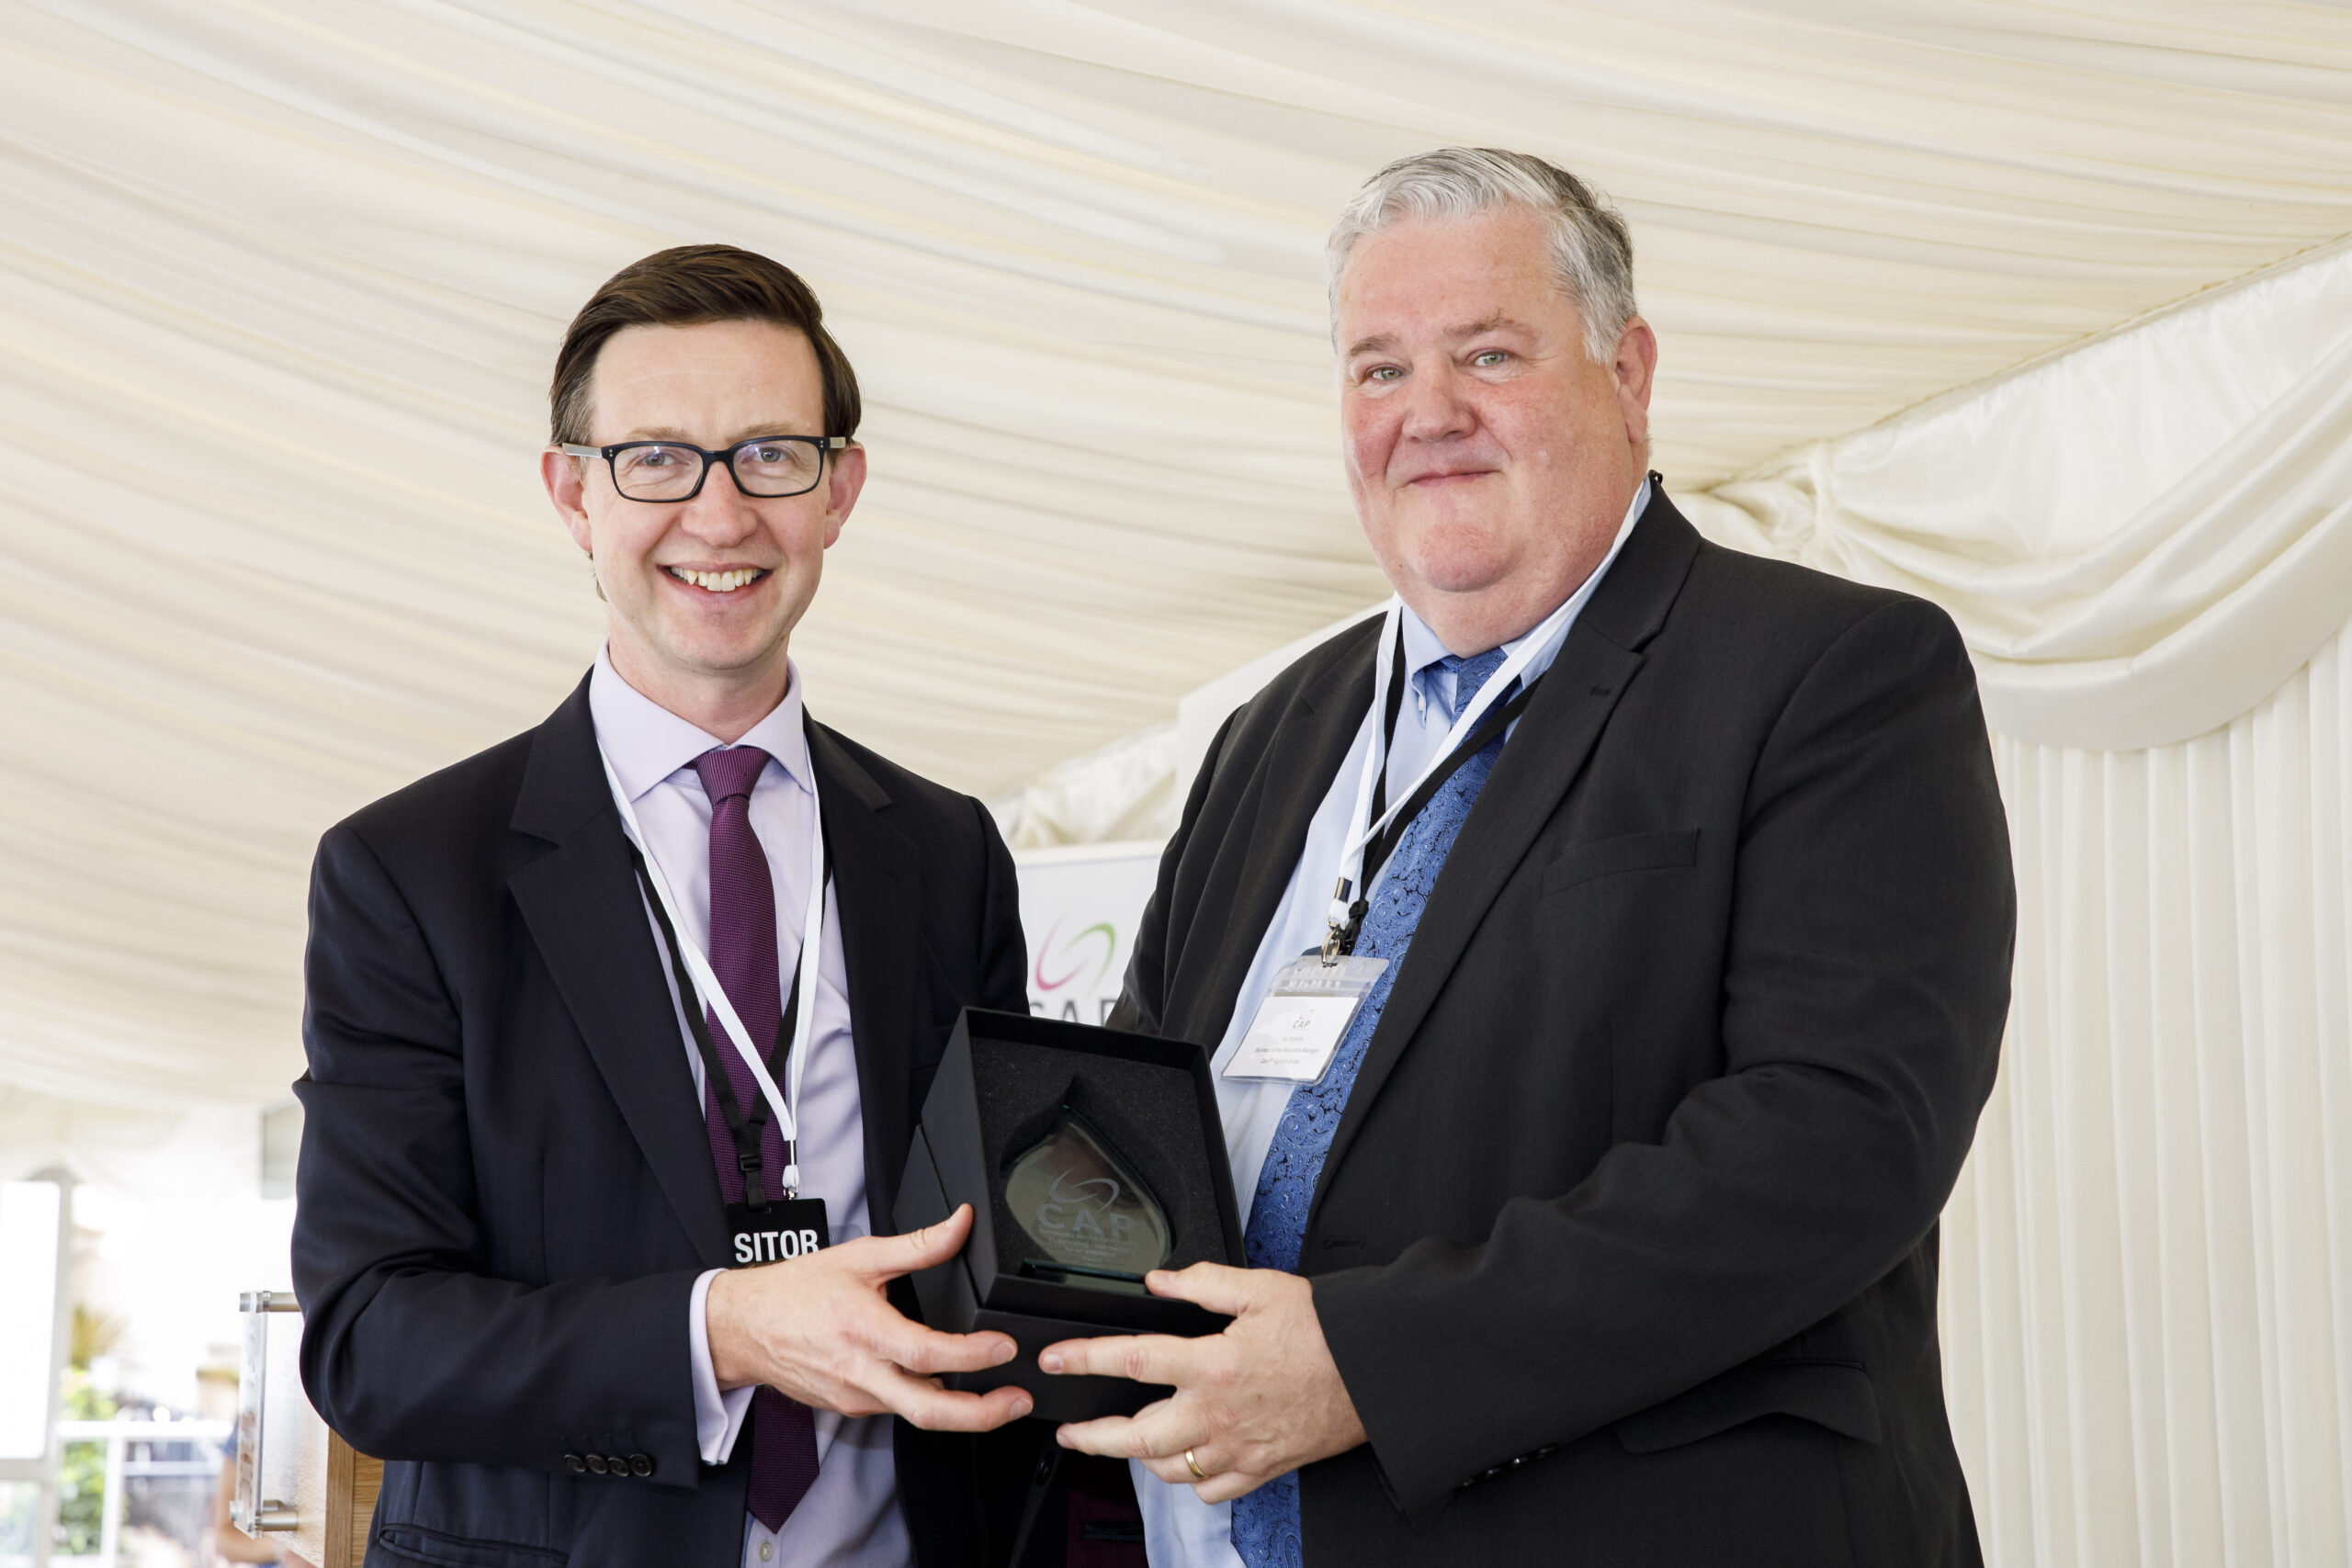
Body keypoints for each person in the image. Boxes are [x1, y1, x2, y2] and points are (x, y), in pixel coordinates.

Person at [1041, 148, 2016, 1566]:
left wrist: (1367, 1362)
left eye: (1487, 355)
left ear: (1628, 372)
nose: (1426, 415)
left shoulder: (1828, 674)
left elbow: (1839, 1138)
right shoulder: (1272, 732)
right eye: (1378, 370)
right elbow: (1145, 1105)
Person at [293, 244, 1062, 1566]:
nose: (719, 515)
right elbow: (369, 1340)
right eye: (656, 458)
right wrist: (729, 1330)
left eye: (771, 453)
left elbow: (997, 1251)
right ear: (572, 492)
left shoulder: (946, 853)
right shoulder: (408, 872)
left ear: (841, 490)